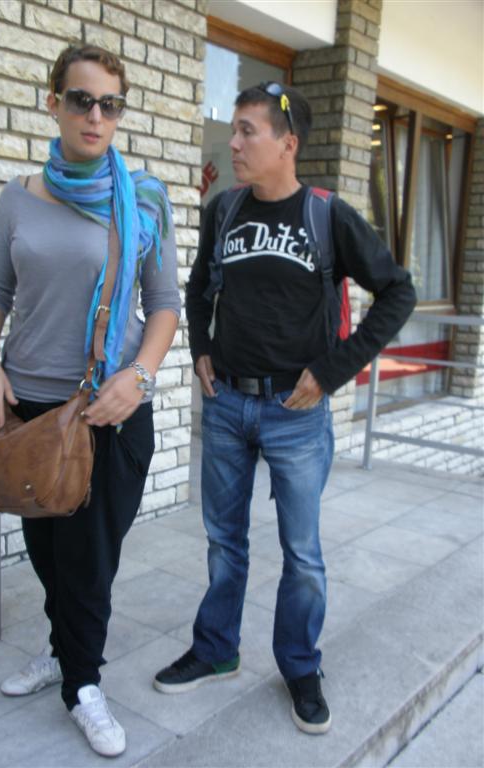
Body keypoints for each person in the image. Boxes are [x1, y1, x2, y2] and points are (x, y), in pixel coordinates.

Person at [153, 82, 416, 734]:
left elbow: (398, 293)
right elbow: (197, 288)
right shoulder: (224, 210)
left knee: (302, 554)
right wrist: (201, 348)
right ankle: (216, 649)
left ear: (287, 143)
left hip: (296, 414)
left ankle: (299, 665)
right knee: (224, 542)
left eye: (248, 131)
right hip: (225, 404)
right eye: (234, 129)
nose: (234, 143)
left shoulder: (328, 216)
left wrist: (331, 371)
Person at [0, 44, 180, 757]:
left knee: (89, 560)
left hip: (108, 412)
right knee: (46, 549)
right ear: (53, 102)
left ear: (119, 113)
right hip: (29, 407)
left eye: (109, 104)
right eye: (81, 99)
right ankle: (64, 651)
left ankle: (82, 684)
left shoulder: (144, 199)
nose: (96, 115)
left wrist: (140, 376)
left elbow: (164, 304)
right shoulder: (19, 197)